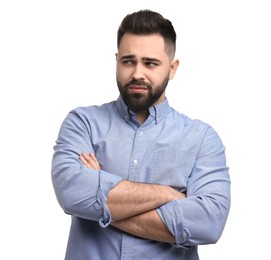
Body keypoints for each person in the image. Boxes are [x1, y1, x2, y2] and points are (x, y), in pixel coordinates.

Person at [51, 9, 231, 260]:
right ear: (116, 61)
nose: (137, 73)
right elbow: (73, 195)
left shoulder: (202, 139)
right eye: (128, 61)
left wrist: (99, 199)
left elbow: (209, 223)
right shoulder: (83, 124)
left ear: (172, 67)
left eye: (150, 63)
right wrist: (168, 195)